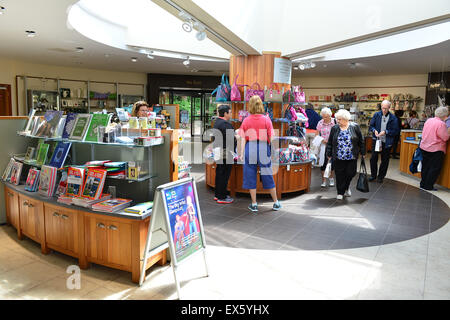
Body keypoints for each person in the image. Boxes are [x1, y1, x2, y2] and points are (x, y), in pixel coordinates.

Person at [238, 95, 281, 213]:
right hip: (263, 147)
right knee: (267, 173)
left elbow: (242, 138)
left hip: (250, 148)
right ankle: (276, 202)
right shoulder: (266, 119)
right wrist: (274, 151)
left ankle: (254, 204)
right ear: (261, 105)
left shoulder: (246, 120)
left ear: (250, 106)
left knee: (250, 174)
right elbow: (272, 137)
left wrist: (241, 153)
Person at [326, 109, 365, 200]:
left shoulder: (355, 127)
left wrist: (363, 152)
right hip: (338, 156)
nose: (337, 121)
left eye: (339, 119)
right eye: (337, 119)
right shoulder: (335, 128)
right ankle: (340, 192)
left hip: (351, 156)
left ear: (346, 119)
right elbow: (330, 142)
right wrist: (329, 152)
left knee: (351, 173)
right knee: (339, 175)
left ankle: (346, 187)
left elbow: (361, 140)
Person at [368, 100, 399, 183]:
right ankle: (373, 175)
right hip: (376, 140)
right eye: (382, 108)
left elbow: (395, 131)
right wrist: (374, 130)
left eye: (386, 108)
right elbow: (371, 126)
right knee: (373, 158)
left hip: (387, 142)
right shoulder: (376, 115)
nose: (384, 110)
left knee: (384, 160)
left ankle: (381, 177)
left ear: (389, 108)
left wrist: (386, 132)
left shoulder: (393, 118)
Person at [419, 106, 449, 191]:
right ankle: (428, 186)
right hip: (435, 149)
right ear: (444, 115)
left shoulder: (429, 120)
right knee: (434, 168)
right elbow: (445, 137)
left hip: (424, 147)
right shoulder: (441, 124)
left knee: (425, 166)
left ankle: (423, 184)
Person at [212, 105, 236, 204]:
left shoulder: (217, 122)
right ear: (225, 113)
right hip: (226, 152)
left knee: (219, 173)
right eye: (230, 112)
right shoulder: (226, 124)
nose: (231, 114)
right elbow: (231, 139)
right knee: (224, 174)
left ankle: (218, 194)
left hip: (218, 151)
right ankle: (222, 197)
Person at [316, 107, 336, 187]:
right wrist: (322, 140)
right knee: (323, 163)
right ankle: (324, 181)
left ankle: (331, 179)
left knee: (331, 163)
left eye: (326, 117)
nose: (324, 118)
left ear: (330, 115)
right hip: (323, 145)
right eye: (323, 116)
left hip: (333, 145)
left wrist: (331, 141)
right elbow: (317, 134)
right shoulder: (320, 122)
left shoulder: (335, 121)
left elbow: (338, 132)